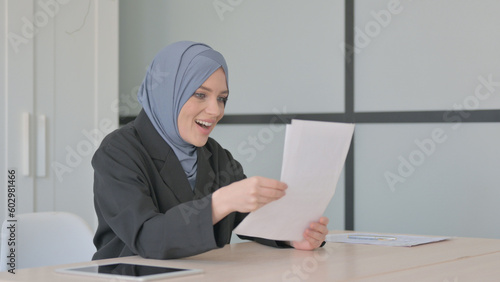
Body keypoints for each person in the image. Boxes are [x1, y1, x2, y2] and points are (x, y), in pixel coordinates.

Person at [91, 41, 329, 260]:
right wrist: (221, 201)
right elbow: (147, 237)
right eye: (200, 95)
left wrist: (292, 234)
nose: (215, 111)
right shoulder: (117, 153)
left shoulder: (215, 156)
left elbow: (250, 219)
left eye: (222, 98)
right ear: (168, 91)